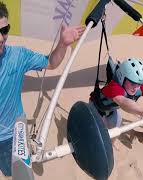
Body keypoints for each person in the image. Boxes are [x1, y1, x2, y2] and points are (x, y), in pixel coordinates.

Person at [0, 2, 85, 177]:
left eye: (4, 30)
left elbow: (51, 63)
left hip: (13, 134)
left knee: (15, 173)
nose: (1, 38)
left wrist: (62, 44)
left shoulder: (19, 56)